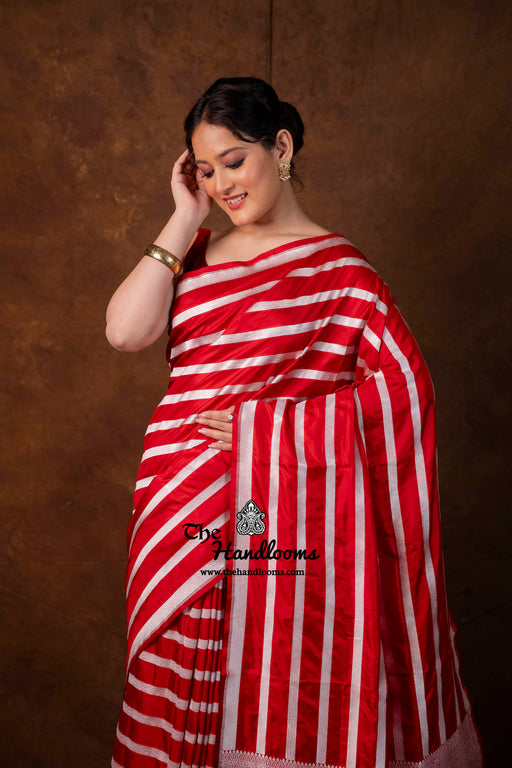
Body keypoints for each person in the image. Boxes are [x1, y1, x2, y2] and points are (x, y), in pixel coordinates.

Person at [106, 77, 484, 768]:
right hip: (174, 505)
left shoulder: (343, 274)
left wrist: (268, 429)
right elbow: (126, 332)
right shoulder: (195, 254)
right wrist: (183, 218)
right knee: (173, 689)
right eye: (205, 169)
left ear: (280, 147)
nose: (222, 183)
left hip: (274, 513)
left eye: (234, 161)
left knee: (262, 680)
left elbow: (403, 393)